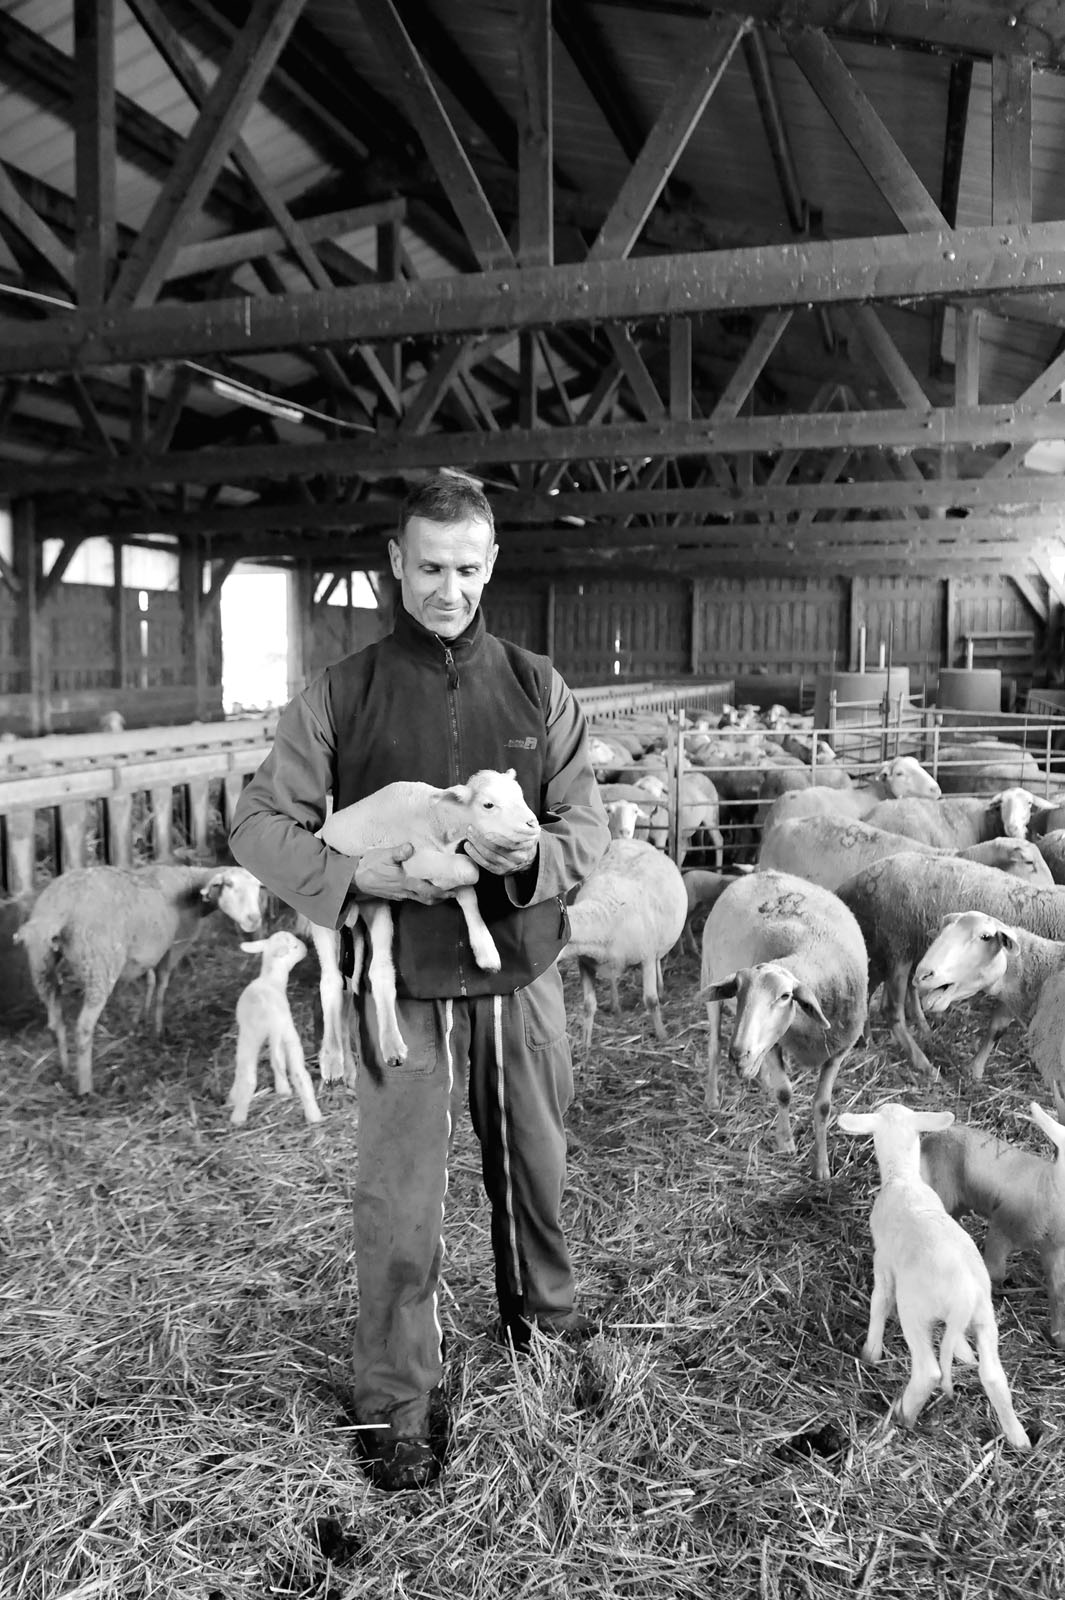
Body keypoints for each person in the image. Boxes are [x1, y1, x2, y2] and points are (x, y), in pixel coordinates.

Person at [229, 470, 611, 1491]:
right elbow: (258, 824)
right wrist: (356, 878)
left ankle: (546, 1326)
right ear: (395, 563)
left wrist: (531, 860)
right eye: (430, 567)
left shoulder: (536, 685)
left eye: (467, 568)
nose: (449, 588)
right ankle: (398, 1397)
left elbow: (586, 825)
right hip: (398, 991)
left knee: (535, 1165)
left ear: (491, 564)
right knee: (400, 1197)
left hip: (517, 973)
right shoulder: (342, 692)